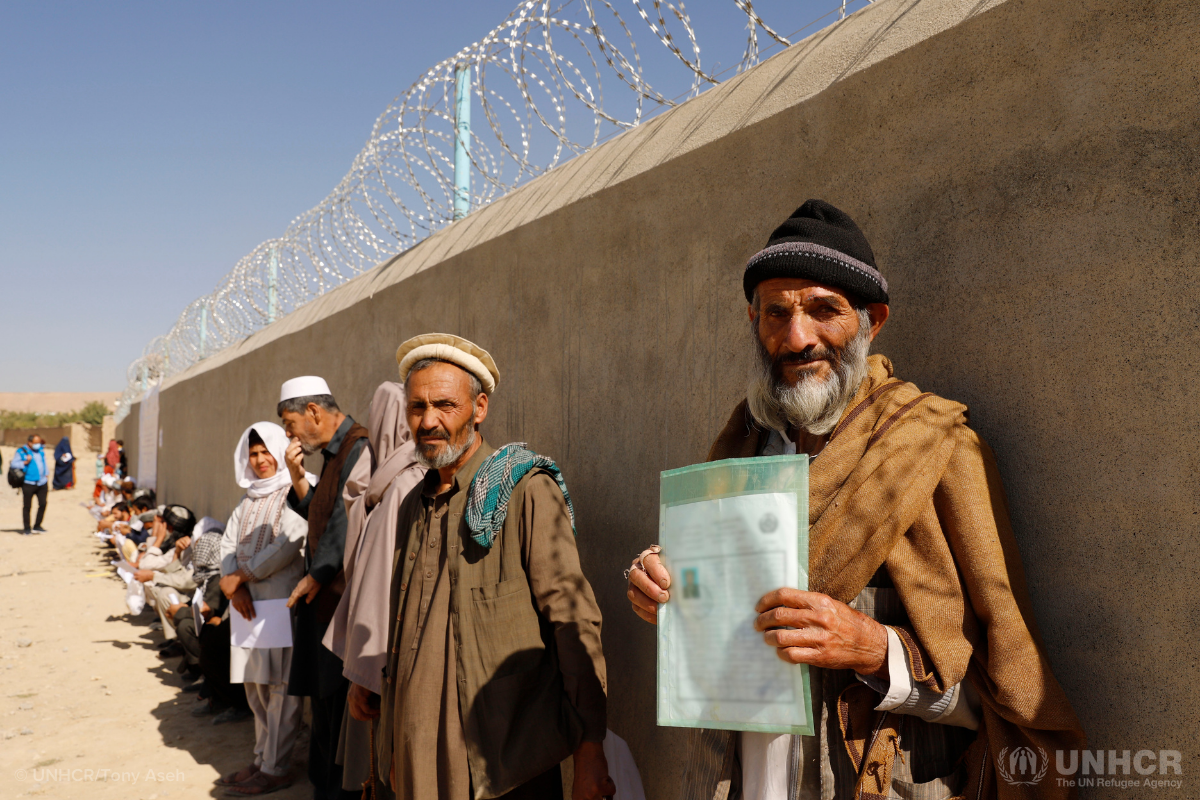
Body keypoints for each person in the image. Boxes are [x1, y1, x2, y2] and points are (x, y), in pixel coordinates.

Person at [624, 200, 1086, 799]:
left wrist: (873, 648)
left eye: (824, 311)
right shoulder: (740, 446)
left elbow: (1002, 691)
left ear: (873, 321)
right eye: (775, 313)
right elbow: (717, 615)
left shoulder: (935, 446)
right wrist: (664, 582)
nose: (797, 338)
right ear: (753, 321)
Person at [375, 333, 613, 800]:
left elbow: (573, 621)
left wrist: (590, 746)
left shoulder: (522, 490)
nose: (428, 421)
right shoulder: (411, 505)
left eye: (445, 405)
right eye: (417, 407)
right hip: (414, 754)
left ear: (479, 407)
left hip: (503, 763)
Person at [322, 382, 423, 799]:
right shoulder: (382, 485)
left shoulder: (400, 487)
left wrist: (363, 676)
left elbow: (378, 585)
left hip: (382, 661)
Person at [276, 376, 369, 800]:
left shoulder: (359, 449)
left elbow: (346, 524)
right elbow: (320, 514)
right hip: (323, 604)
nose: (291, 435)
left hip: (340, 605)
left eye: (291, 423)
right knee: (324, 710)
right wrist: (297, 476)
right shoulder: (334, 456)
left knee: (337, 712)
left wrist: (316, 575)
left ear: (314, 411)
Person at [218, 422, 312, 791]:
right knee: (254, 686)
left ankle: (276, 767)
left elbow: (290, 541)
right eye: (253, 454)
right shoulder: (249, 499)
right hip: (246, 607)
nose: (260, 461)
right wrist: (233, 588)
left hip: (280, 606)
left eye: (265, 452)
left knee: (281, 689)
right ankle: (261, 758)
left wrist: (240, 577)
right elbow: (227, 544)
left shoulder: (297, 490)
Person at [13, 435, 51, 534]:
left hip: (42, 482)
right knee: (27, 506)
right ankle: (27, 528)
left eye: (39, 442)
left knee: (43, 504)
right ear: (29, 442)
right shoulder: (21, 451)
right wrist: (25, 462)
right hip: (28, 483)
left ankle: (37, 526)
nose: (38, 445)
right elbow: (14, 464)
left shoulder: (41, 451)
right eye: (36, 443)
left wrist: (47, 474)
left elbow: (44, 463)